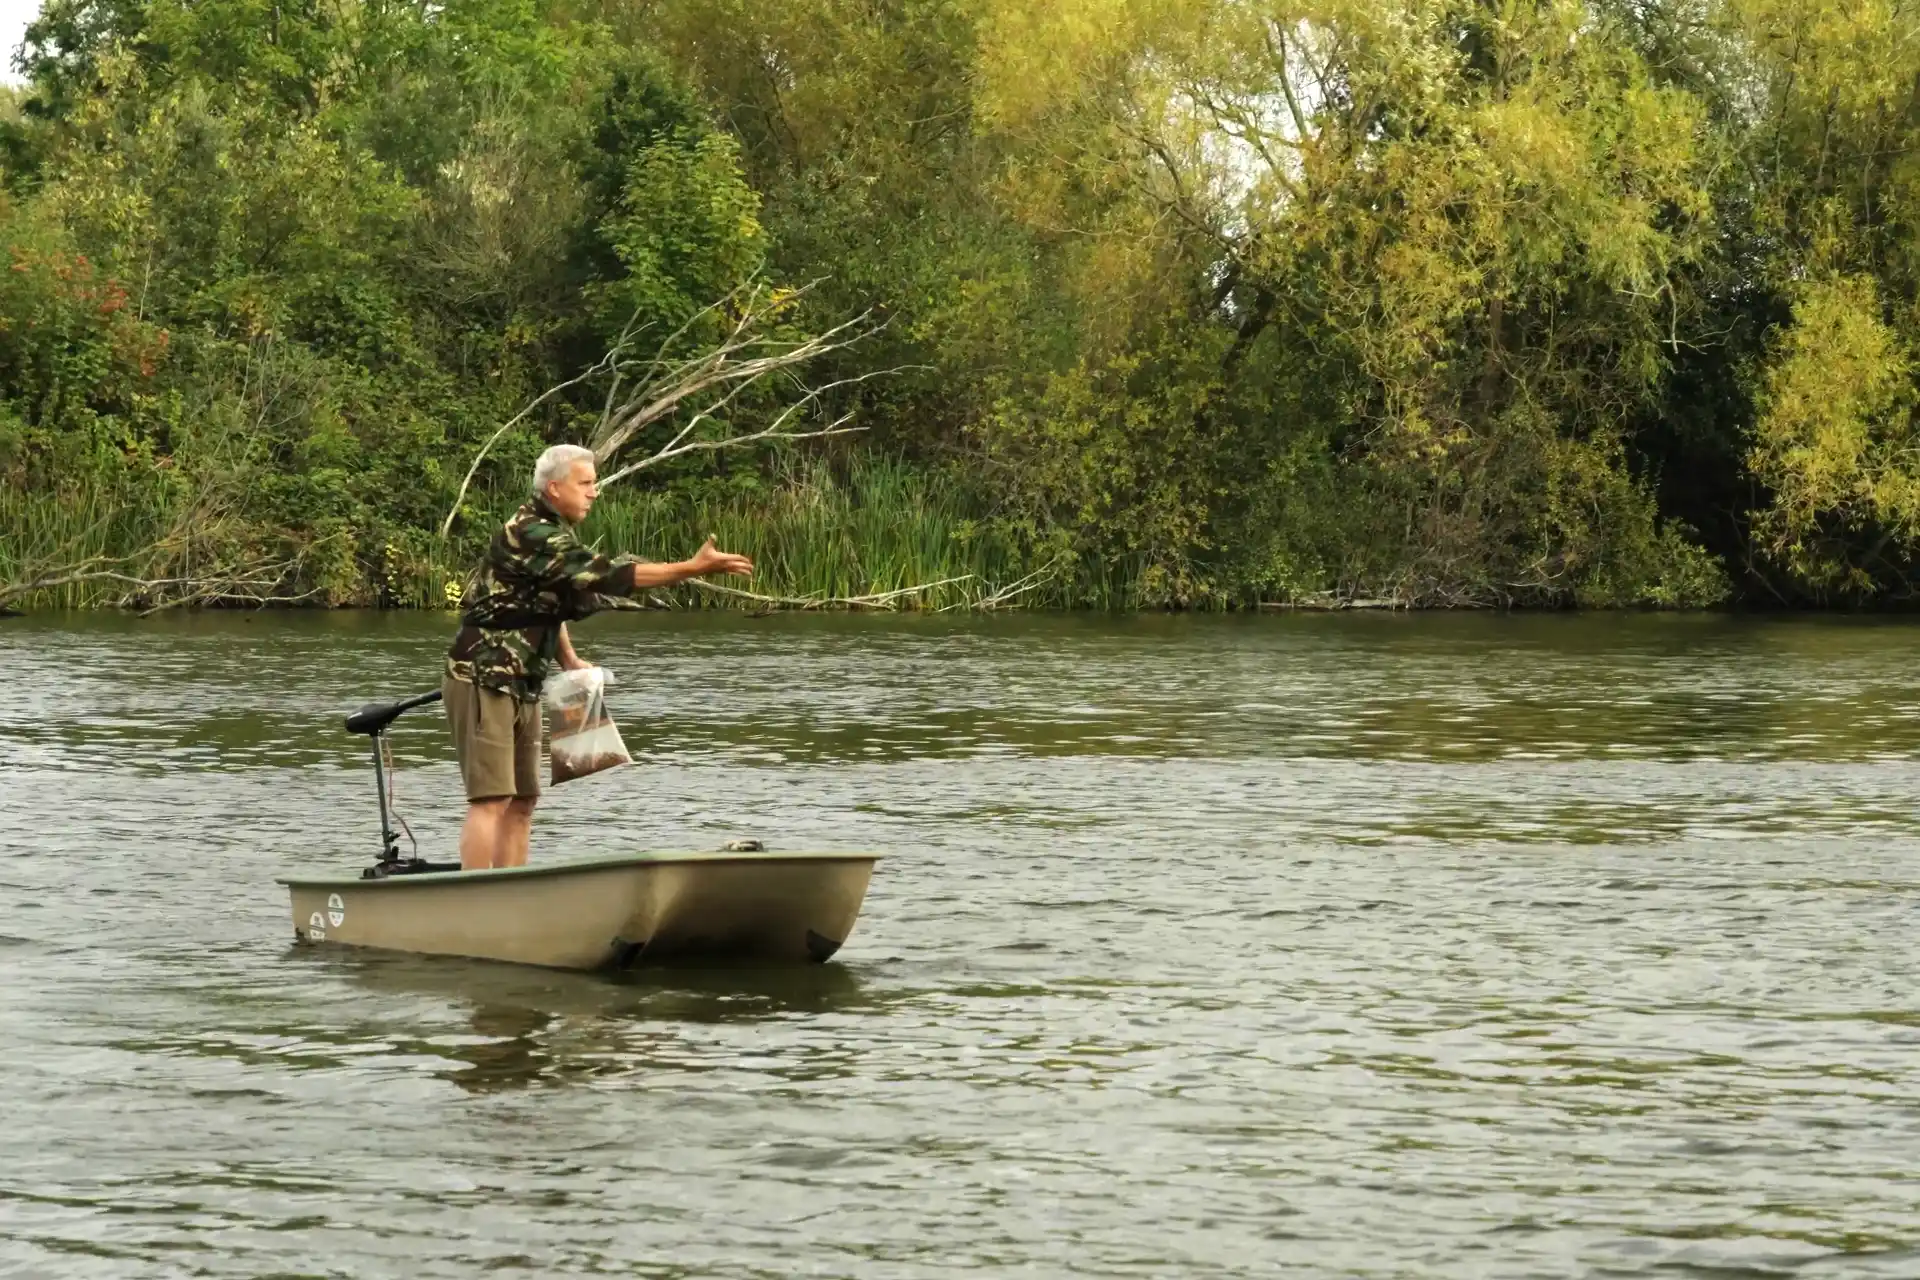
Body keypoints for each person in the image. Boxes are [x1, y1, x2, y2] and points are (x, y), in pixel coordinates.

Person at [443, 443, 753, 871]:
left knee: (523, 799)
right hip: (483, 675)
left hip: (524, 680)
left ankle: (510, 893)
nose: (594, 492)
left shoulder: (555, 535)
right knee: (492, 798)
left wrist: (568, 660)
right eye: (585, 483)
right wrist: (692, 568)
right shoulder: (533, 533)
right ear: (554, 488)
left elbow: (550, 603)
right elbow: (609, 575)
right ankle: (472, 902)